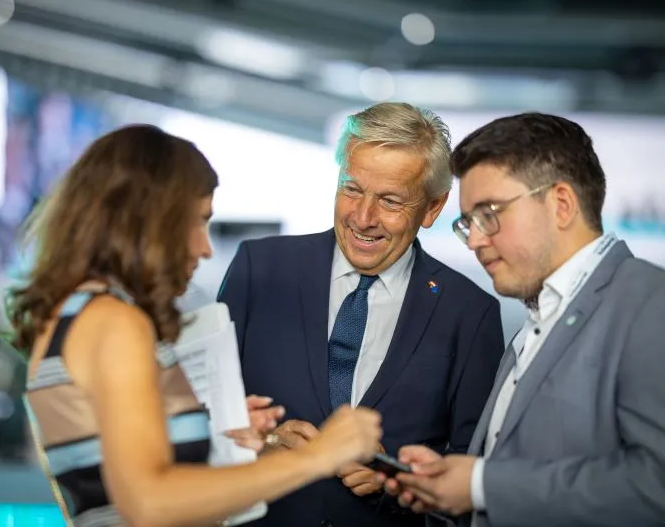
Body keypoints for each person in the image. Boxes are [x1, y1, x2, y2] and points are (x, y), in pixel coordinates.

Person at [5, 124, 384, 527]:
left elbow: (115, 476)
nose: (205, 249)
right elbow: (149, 503)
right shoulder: (116, 322)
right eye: (198, 222)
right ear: (152, 221)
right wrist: (317, 457)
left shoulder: (76, 315)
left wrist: (216, 437)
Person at [217, 102, 506, 527]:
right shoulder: (259, 269)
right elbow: (195, 415)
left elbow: (470, 482)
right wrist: (259, 443)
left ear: (432, 209)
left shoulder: (469, 314)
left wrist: (399, 483)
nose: (363, 218)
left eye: (390, 201)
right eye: (352, 189)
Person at [389, 113, 665, 527]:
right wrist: (451, 485)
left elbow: (655, 487)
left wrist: (481, 484)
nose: (477, 240)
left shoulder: (649, 303)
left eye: (490, 213)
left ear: (562, 204)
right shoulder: (535, 321)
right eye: (468, 223)